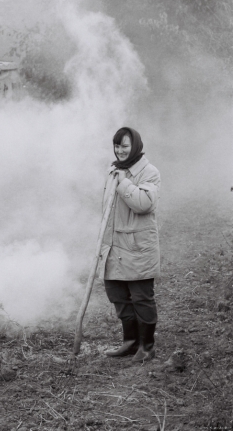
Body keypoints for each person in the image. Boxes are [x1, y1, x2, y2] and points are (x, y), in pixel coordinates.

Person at [98, 127, 160, 363]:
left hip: (137, 247)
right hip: (114, 247)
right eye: (117, 145)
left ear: (135, 146)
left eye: (124, 146)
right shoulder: (114, 171)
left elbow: (144, 203)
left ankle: (147, 346)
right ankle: (131, 342)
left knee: (141, 297)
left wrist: (124, 183)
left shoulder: (149, 172)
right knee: (118, 296)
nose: (120, 150)